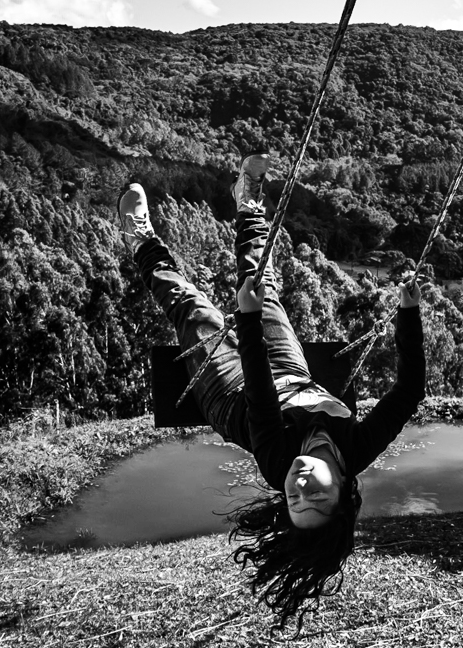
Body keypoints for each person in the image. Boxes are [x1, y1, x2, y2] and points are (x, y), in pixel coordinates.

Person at [117, 153, 425, 631]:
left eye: (294, 500)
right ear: (343, 491)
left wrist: (246, 320)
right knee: (262, 285)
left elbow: (258, 393)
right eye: (316, 496)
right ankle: (249, 202)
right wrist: (408, 313)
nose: (299, 486)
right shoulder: (357, 448)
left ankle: (140, 237)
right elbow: (408, 393)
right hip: (291, 375)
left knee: (191, 307)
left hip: (231, 394)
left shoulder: (276, 460)